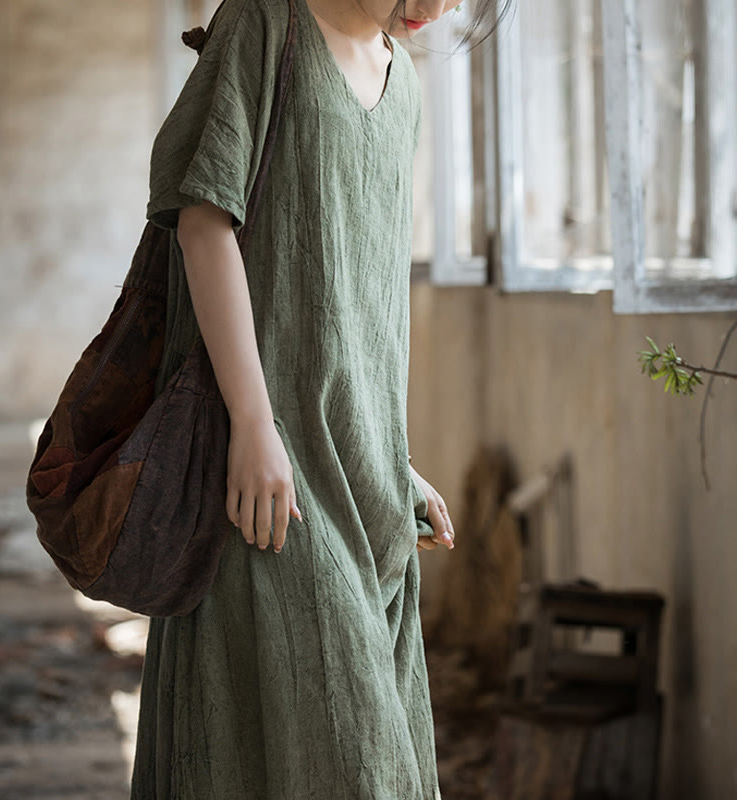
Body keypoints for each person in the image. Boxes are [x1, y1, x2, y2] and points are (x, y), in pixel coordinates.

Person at [130, 1, 508, 797]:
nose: (435, 10)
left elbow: (359, 300)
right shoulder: (266, 24)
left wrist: (394, 460)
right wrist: (254, 424)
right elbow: (204, 223)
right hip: (266, 478)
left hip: (362, 485)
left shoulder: (402, 81)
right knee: (317, 753)